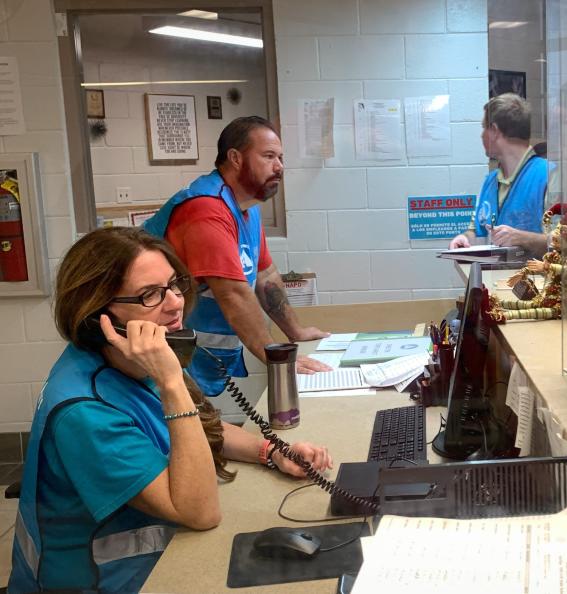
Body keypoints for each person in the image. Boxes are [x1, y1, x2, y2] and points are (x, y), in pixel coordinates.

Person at [7, 228, 333, 593]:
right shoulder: (85, 412)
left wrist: (270, 451)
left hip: (154, 566)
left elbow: (194, 429)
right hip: (107, 584)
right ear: (98, 315)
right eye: (150, 294)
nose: (176, 302)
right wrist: (172, 382)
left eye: (174, 284)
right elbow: (199, 512)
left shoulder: (126, 357)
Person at [143, 116, 329, 399]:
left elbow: (265, 276)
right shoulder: (206, 208)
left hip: (195, 350)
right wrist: (276, 358)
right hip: (160, 350)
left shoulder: (246, 207)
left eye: (281, 157)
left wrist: (296, 331)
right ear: (235, 158)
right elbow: (232, 293)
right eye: (268, 156)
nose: (279, 166)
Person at [449, 93, 550, 256]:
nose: (481, 135)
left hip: (534, 280)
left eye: (484, 128)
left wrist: (522, 238)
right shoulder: (490, 181)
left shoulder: (548, 176)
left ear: (494, 131)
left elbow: (565, 244)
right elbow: (476, 230)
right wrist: (465, 238)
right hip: (494, 280)